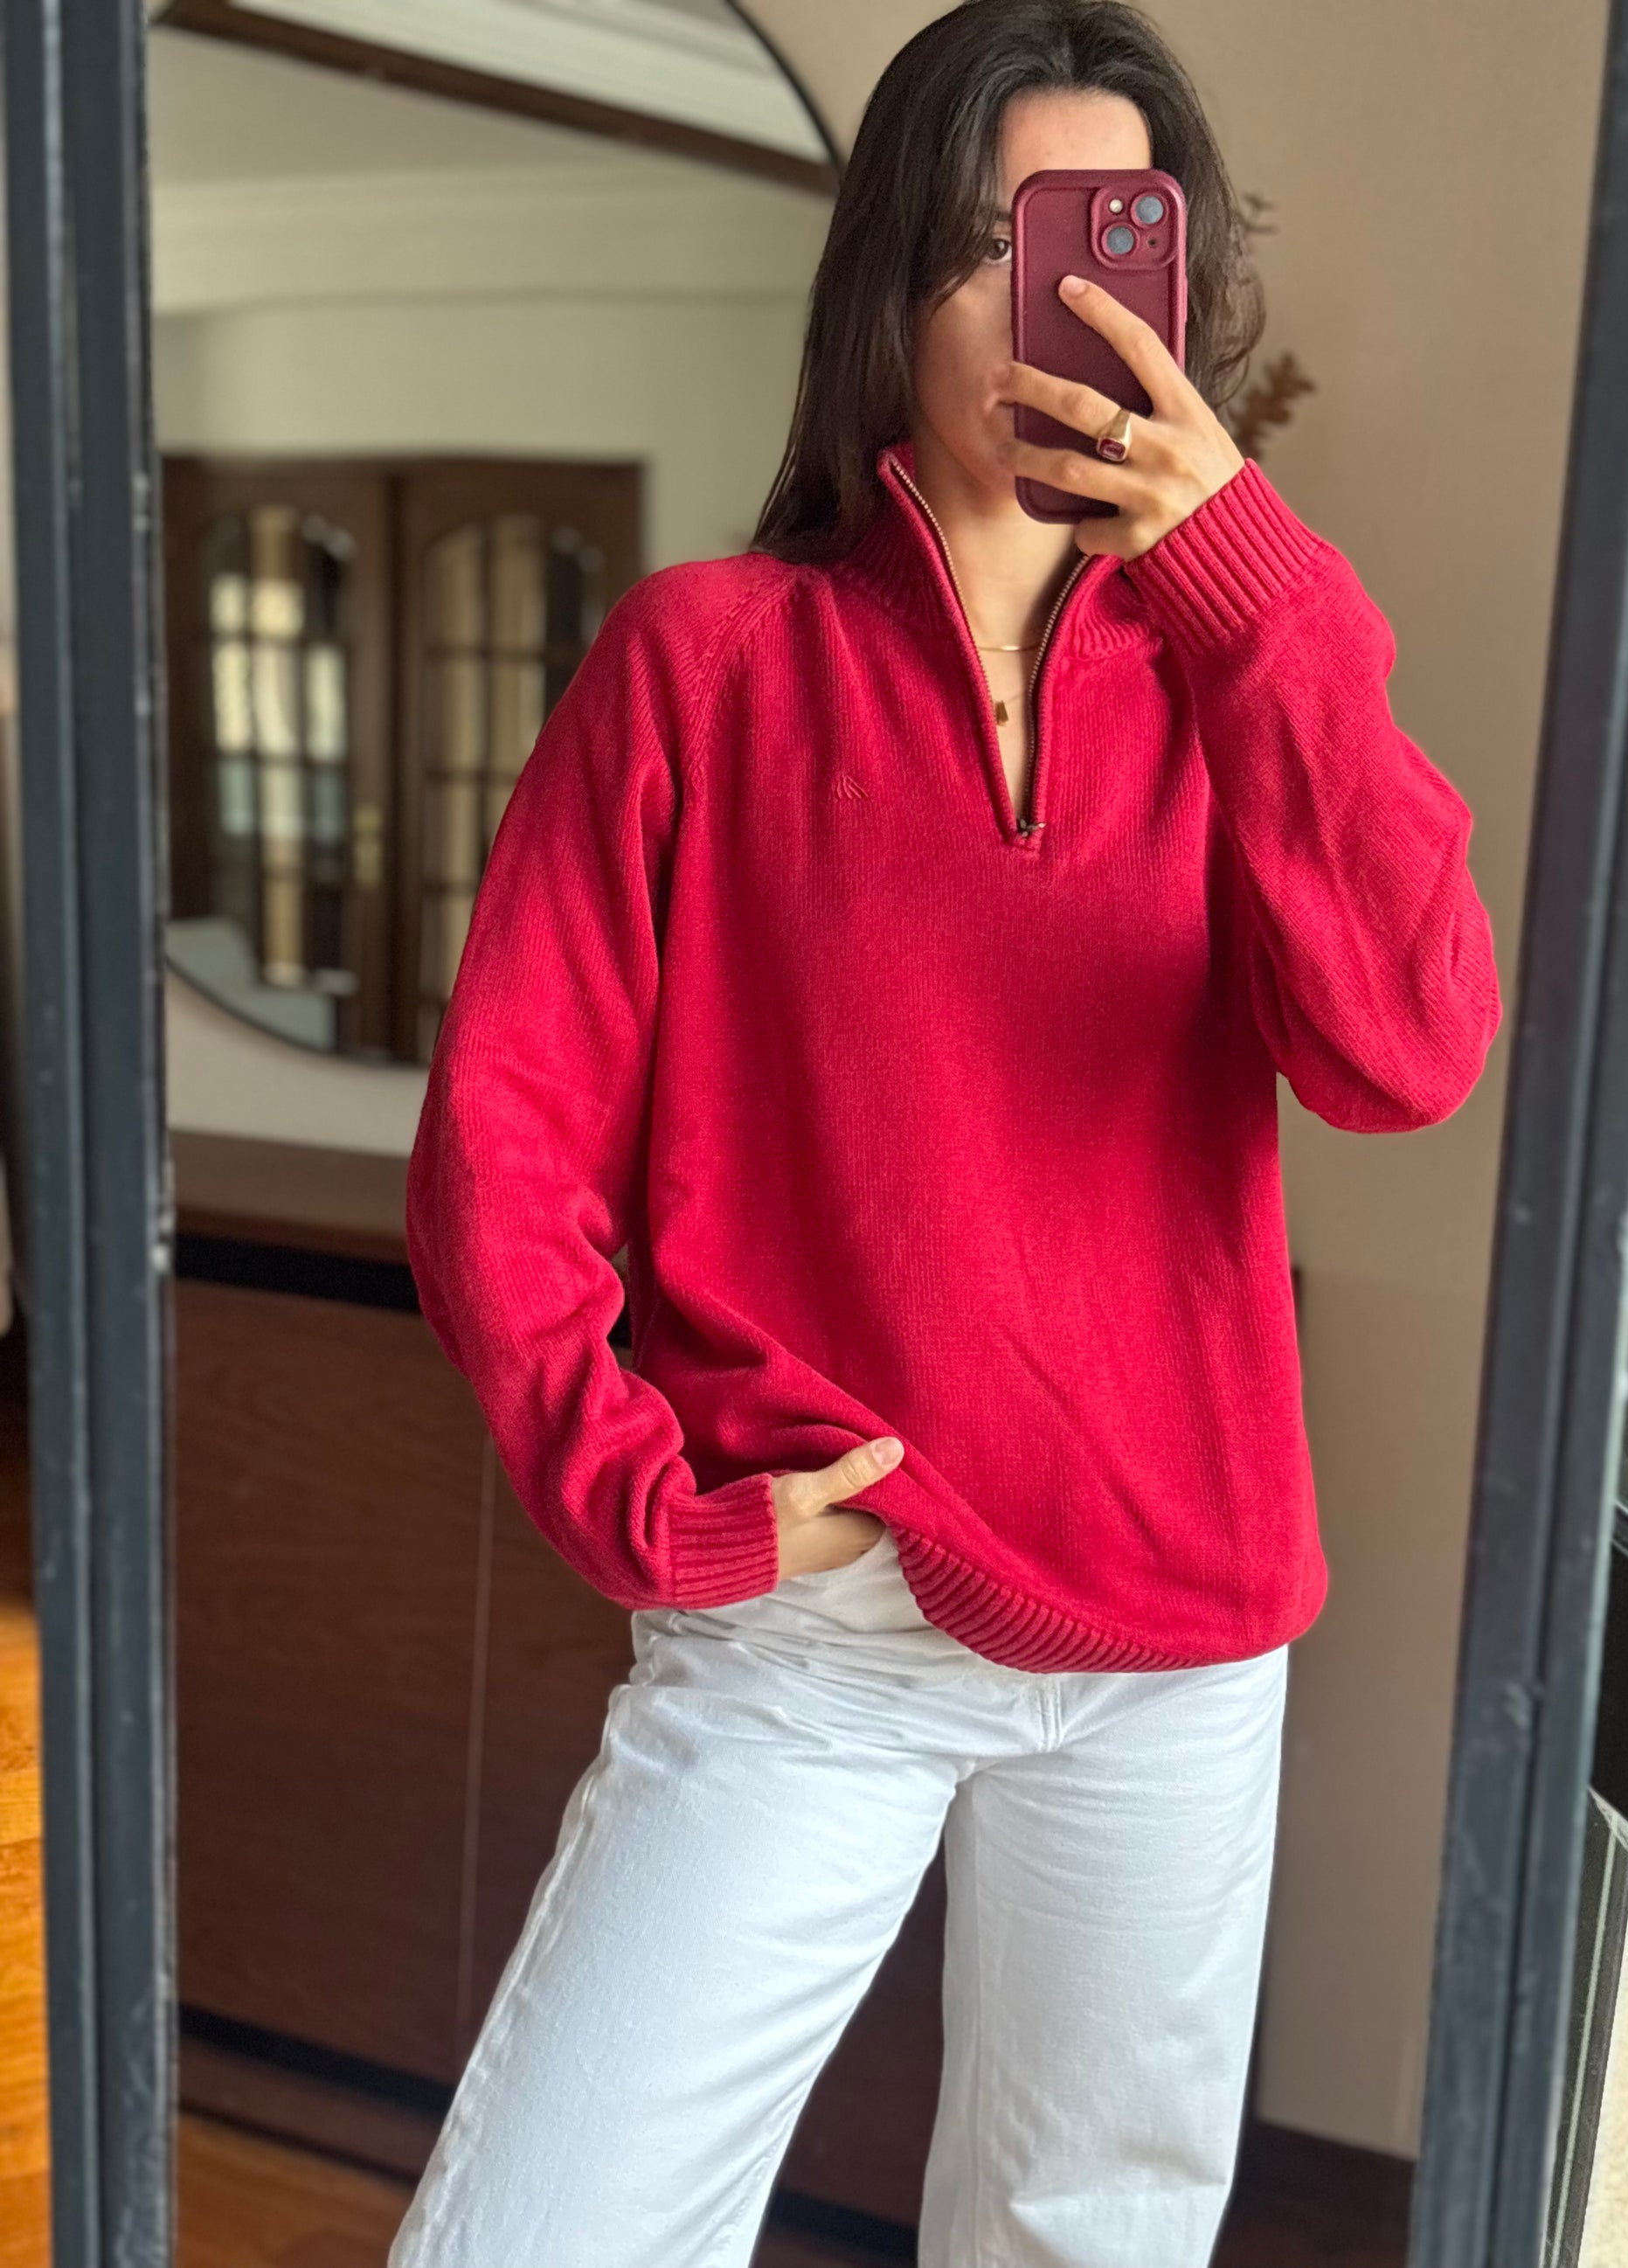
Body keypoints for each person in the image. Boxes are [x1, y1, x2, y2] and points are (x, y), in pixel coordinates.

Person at [387, 2, 1502, 2262]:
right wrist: (646, 1496)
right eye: (998, 242)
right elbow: (503, 1139)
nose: (1051, 302)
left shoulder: (1244, 675)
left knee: (1089, 2236)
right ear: (890, 276)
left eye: (1108, 241)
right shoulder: (703, 662)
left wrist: (1246, 581)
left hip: (1176, 1640)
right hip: (822, 1626)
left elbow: (1407, 1046)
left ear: (1177, 287)